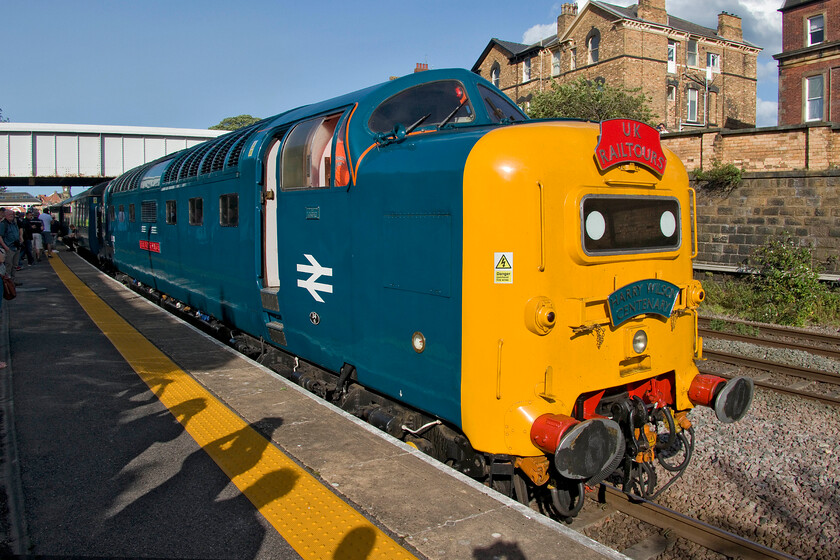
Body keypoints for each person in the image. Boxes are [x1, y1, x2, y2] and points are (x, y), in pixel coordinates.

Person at [0, 209, 22, 285]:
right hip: (9, 247)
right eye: (9, 215)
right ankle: (7, 281)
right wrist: (5, 247)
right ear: (5, 216)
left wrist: (20, 238)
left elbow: (18, 231)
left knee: (15, 265)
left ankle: (12, 280)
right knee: (8, 265)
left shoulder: (14, 223)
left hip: (16, 246)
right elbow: (0, 237)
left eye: (12, 215)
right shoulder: (3, 224)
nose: (11, 216)